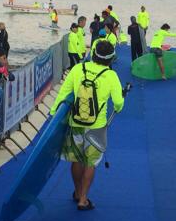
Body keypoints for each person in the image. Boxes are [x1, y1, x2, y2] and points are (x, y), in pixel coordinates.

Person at [50, 40, 125, 211]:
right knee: (90, 162)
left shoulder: (78, 69)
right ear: (110, 59)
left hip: (75, 123)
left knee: (76, 159)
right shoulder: (111, 75)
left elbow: (63, 93)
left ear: (93, 53)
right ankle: (83, 199)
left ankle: (77, 192)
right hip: (97, 127)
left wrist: (54, 113)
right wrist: (119, 106)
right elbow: (118, 103)